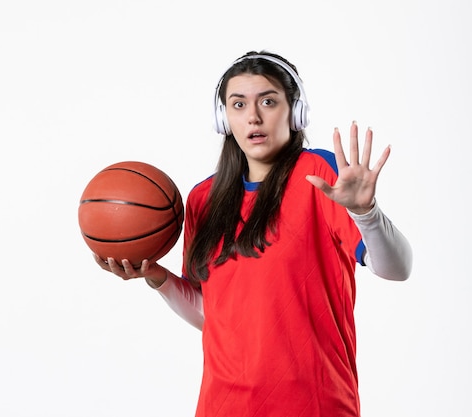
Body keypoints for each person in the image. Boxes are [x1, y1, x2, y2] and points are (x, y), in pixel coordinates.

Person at [94, 50, 413, 417]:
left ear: (295, 112)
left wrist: (365, 213)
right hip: (222, 406)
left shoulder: (321, 174)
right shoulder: (203, 199)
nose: (254, 116)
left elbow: (397, 269)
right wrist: (156, 276)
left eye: (268, 101)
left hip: (315, 405)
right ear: (223, 118)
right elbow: (213, 315)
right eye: (239, 104)